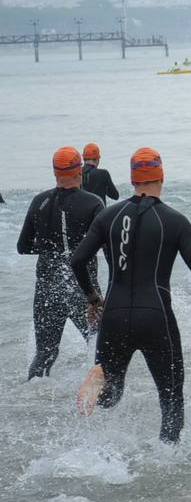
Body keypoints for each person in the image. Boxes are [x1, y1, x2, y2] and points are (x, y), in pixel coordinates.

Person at [70, 148, 191, 442]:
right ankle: (168, 461)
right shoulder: (174, 221)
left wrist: (93, 298)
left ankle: (99, 376)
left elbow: (77, 260)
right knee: (171, 401)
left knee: (111, 396)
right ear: (161, 176)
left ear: (133, 179)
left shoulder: (107, 216)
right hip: (156, 317)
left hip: (114, 316)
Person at [18, 147, 104, 378]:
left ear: (55, 173)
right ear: (79, 171)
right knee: (100, 349)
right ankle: (100, 405)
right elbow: (106, 247)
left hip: (47, 289)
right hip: (84, 291)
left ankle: (30, 405)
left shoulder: (39, 201)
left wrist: (48, 248)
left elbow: (23, 247)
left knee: (45, 353)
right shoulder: (93, 203)